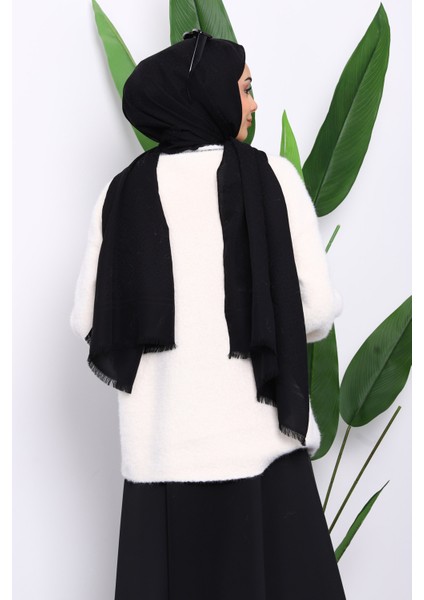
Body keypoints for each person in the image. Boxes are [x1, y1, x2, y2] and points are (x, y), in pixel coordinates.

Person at [70, 30, 346, 599]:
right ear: (210, 94)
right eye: (244, 88)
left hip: (161, 459)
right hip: (260, 449)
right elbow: (316, 310)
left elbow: (88, 324)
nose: (254, 103)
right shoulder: (274, 178)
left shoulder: (121, 193)